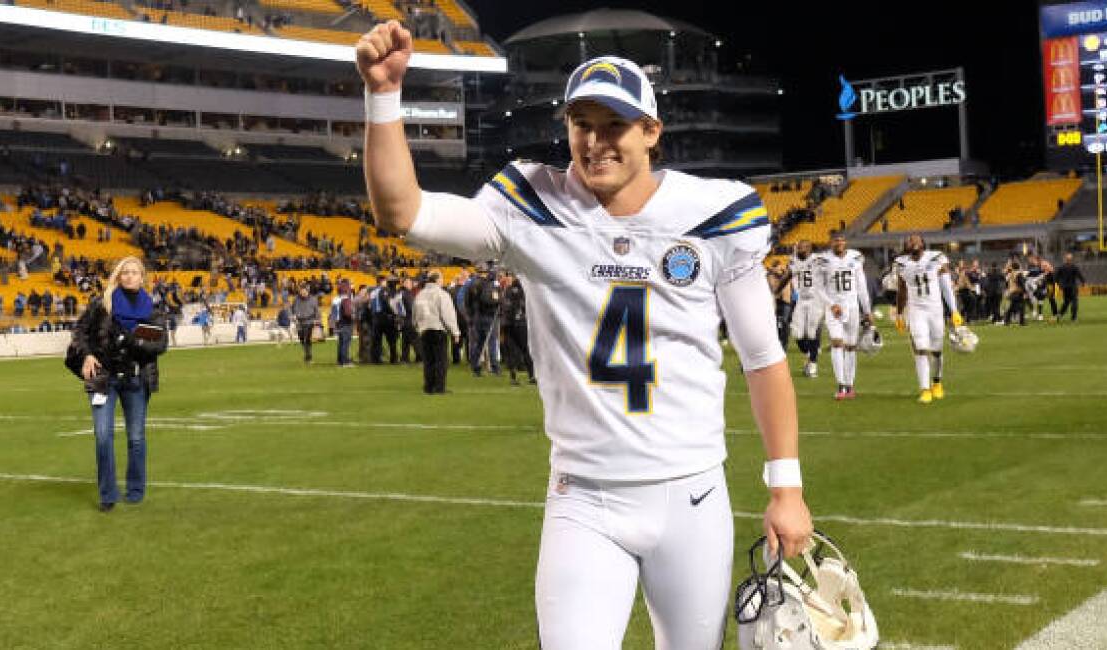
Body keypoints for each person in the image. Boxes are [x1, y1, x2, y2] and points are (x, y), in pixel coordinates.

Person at [356, 27, 812, 649]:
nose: (595, 142)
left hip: (693, 494)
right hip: (583, 496)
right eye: (581, 123)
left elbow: (763, 358)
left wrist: (786, 488)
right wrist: (383, 97)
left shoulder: (713, 216)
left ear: (652, 130)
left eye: (614, 125)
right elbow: (402, 213)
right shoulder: (533, 205)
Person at [70, 256, 167, 511]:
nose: (130, 276)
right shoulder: (103, 305)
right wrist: (87, 354)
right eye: (125, 272)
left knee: (136, 438)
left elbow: (159, 344)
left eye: (135, 272)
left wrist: (131, 338)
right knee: (103, 435)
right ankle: (108, 495)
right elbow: (80, 333)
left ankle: (135, 489)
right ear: (118, 276)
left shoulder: (151, 310)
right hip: (104, 378)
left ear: (142, 277)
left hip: (136, 379)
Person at [892, 234, 963, 404]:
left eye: (916, 239)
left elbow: (946, 286)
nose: (913, 241)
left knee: (937, 351)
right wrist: (899, 314)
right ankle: (925, 389)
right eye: (909, 240)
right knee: (921, 348)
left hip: (935, 309)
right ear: (906, 245)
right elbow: (902, 291)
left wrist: (954, 310)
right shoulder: (901, 263)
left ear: (923, 243)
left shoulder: (936, 258)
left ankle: (937, 382)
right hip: (916, 311)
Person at [814, 232, 873, 399]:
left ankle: (849, 385)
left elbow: (861, 286)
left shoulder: (855, 257)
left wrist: (867, 311)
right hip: (834, 308)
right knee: (837, 342)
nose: (838, 243)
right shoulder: (823, 260)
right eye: (835, 240)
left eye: (841, 240)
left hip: (852, 306)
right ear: (830, 242)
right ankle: (841, 385)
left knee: (851, 346)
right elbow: (818, 287)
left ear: (845, 242)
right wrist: (831, 305)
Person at [413, 270, 460, 394]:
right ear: (438, 280)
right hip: (438, 329)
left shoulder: (420, 294)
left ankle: (428, 387)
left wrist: (417, 326)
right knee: (441, 360)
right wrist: (455, 331)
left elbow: (415, 313)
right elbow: (448, 314)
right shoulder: (441, 294)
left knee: (428, 360)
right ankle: (439, 387)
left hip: (424, 330)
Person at [786, 239, 824, 378]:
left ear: (809, 248)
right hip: (801, 300)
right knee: (797, 333)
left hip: (815, 300)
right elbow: (790, 275)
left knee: (812, 332)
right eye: (799, 247)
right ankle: (809, 353)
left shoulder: (818, 260)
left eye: (802, 247)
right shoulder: (793, 261)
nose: (799, 249)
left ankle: (813, 364)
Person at [499, 272, 535, 386]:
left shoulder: (511, 290)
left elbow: (506, 306)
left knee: (516, 351)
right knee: (522, 350)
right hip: (516, 323)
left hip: (512, 324)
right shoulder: (520, 290)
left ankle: (517, 376)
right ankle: (529, 376)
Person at [292, 284, 320, 363]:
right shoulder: (296, 300)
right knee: (301, 340)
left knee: (307, 340)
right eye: (301, 291)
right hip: (299, 322)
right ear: (300, 291)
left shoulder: (313, 299)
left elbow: (317, 311)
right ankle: (307, 354)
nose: (303, 293)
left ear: (308, 291)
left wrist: (317, 320)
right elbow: (293, 309)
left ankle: (308, 357)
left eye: (304, 291)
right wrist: (294, 316)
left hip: (310, 321)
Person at [1054, 253, 1086, 322]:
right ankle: (1073, 318)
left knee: (1066, 302)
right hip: (1073, 287)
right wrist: (1083, 282)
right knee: (1074, 302)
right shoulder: (1074, 267)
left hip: (1065, 287)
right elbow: (1080, 275)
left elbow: (1055, 277)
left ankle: (1059, 315)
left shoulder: (1060, 267)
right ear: (1071, 260)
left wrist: (1059, 284)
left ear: (1064, 259)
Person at [332, 280, 357, 367]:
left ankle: (340, 361)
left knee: (341, 342)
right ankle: (345, 361)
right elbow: (348, 313)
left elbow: (334, 313)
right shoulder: (346, 299)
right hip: (346, 322)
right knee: (346, 343)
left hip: (338, 322)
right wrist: (353, 317)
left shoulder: (335, 299)